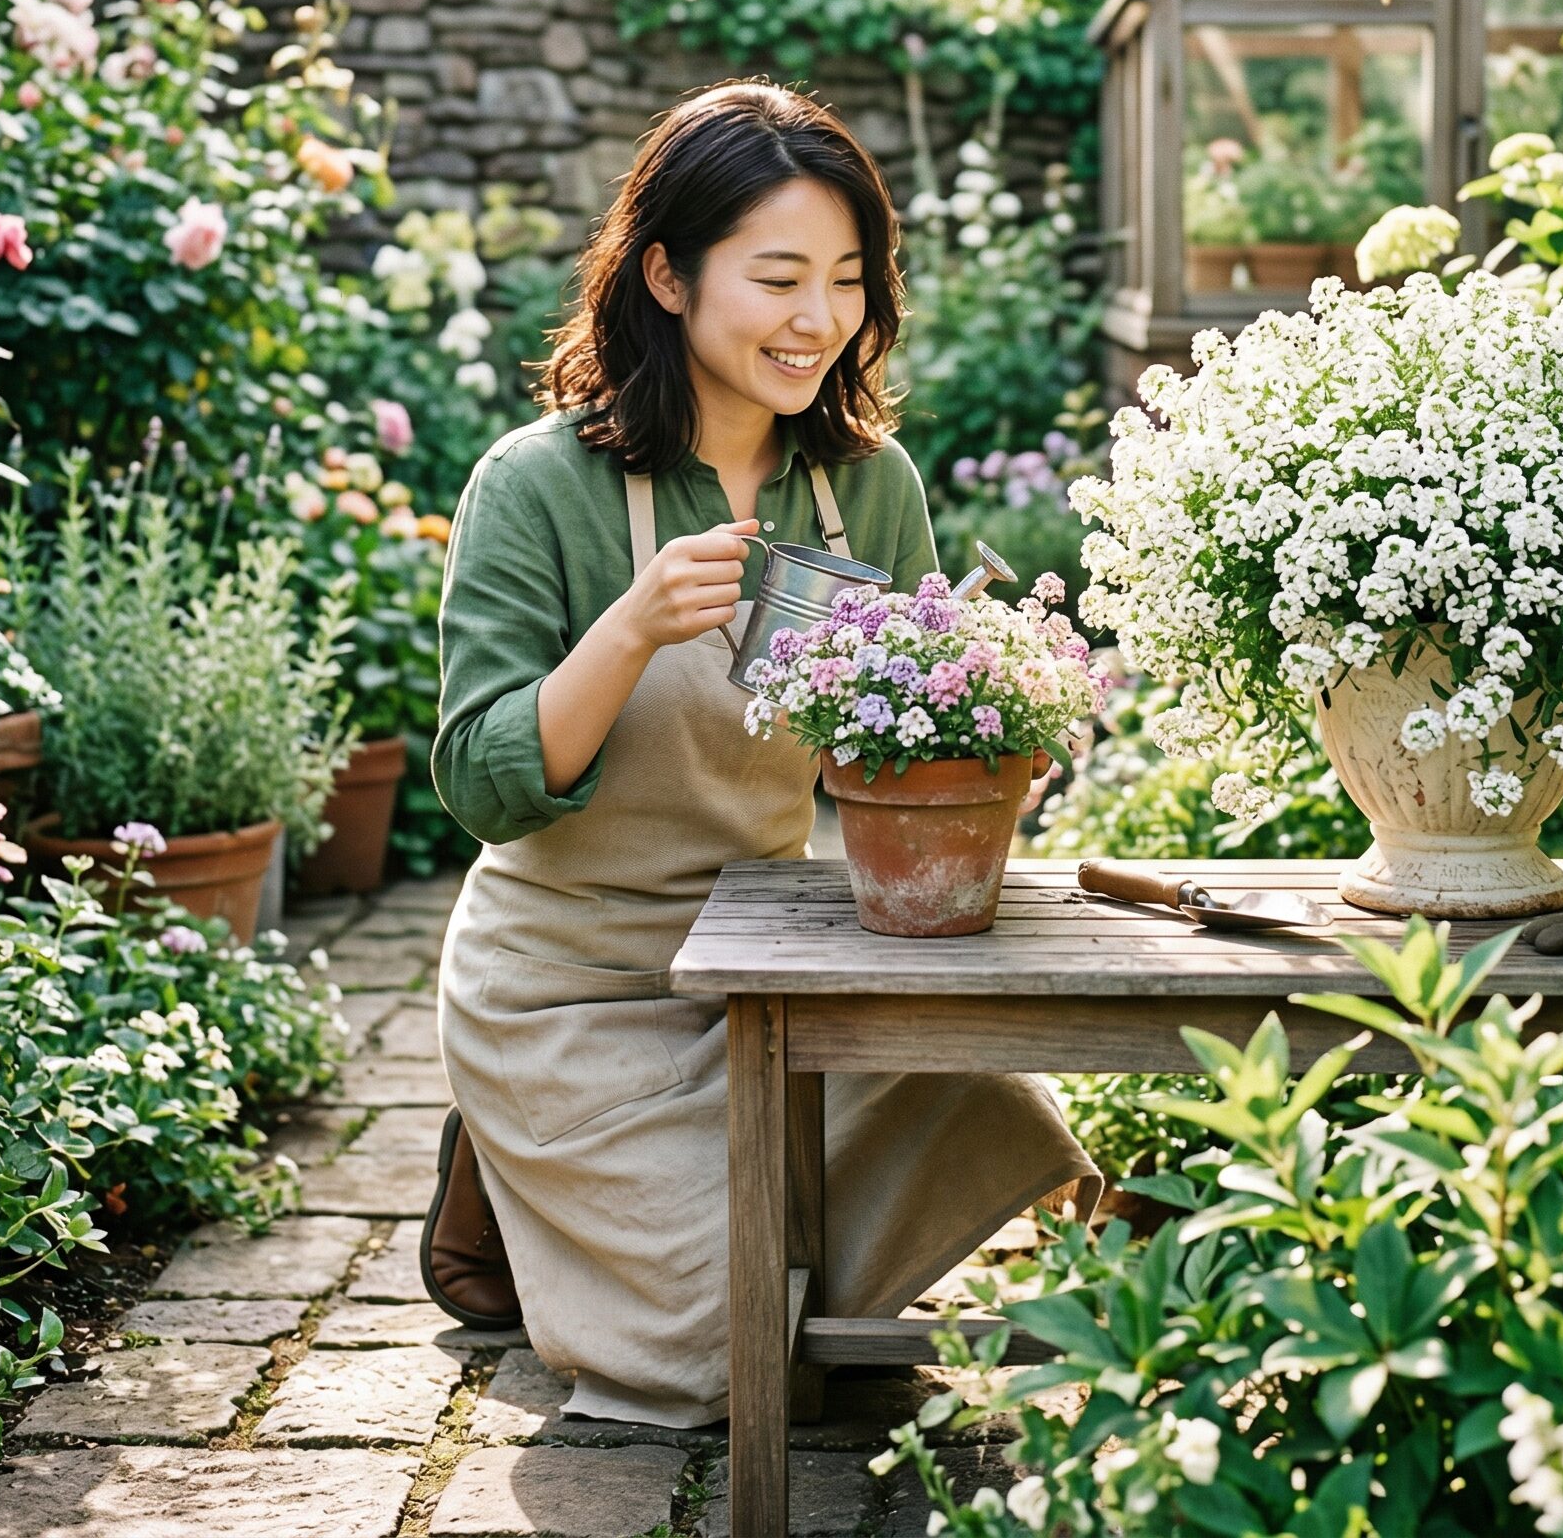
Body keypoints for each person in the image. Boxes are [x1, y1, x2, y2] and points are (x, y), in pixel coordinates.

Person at [423, 81, 1098, 1425]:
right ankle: (517, 1177)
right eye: (778, 276)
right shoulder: (537, 484)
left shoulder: (866, 486)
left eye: (846, 279)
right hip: (572, 981)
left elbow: (908, 750)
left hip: (769, 965)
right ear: (666, 275)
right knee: (727, 1360)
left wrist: (992, 742)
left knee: (995, 1127)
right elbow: (480, 783)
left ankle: (629, 1227)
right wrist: (625, 631)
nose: (818, 320)